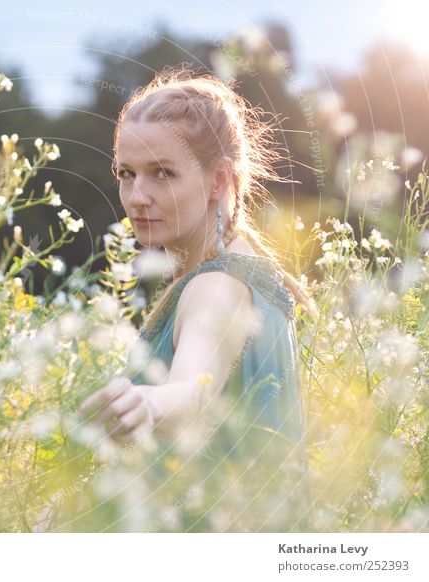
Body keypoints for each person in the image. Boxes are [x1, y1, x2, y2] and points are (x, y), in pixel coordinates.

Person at [77, 65, 317, 465]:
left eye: (162, 174)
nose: (137, 196)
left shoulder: (217, 286)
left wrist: (149, 404)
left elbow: (194, 387)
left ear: (218, 180)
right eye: (126, 173)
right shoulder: (242, 267)